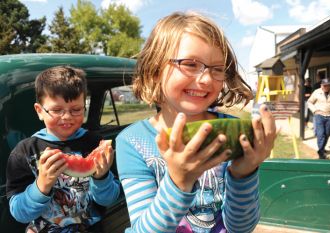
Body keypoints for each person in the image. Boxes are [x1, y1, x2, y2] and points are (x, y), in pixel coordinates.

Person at [116, 12, 277, 232]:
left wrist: (243, 174)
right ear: (154, 70)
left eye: (217, 69)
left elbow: (241, 227)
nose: (206, 79)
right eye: (190, 64)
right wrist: (179, 182)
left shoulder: (231, 131)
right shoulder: (133, 142)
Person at [6, 66, 120, 232]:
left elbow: (108, 200)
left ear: (84, 108)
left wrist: (102, 178)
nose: (67, 117)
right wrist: (41, 186)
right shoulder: (24, 151)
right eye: (57, 110)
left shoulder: (95, 143)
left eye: (76, 110)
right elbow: (19, 213)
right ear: (39, 111)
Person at [308, 78, 330, 159]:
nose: (326, 87)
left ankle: (322, 148)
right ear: (321, 85)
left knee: (327, 134)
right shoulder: (317, 92)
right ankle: (321, 152)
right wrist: (315, 111)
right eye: (324, 85)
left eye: (327, 85)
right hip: (319, 116)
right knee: (321, 134)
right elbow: (309, 102)